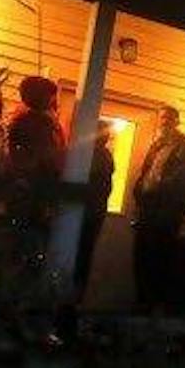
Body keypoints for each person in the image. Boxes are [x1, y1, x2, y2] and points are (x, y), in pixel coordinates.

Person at [130, 105, 185, 312]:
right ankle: (143, 299)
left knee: (160, 253)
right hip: (149, 207)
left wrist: (163, 191)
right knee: (142, 252)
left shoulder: (183, 146)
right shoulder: (157, 144)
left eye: (169, 118)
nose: (164, 121)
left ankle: (157, 301)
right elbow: (148, 173)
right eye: (162, 117)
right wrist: (140, 191)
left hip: (166, 210)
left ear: (176, 121)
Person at [4, 75, 67, 270]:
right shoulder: (34, 123)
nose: (52, 100)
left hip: (34, 193)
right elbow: (46, 160)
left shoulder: (36, 122)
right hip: (33, 195)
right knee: (29, 249)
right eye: (49, 95)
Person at [72, 121, 115, 298]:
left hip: (88, 212)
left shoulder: (98, 156)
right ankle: (76, 294)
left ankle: (74, 295)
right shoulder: (104, 156)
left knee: (81, 252)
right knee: (84, 252)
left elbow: (93, 184)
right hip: (94, 211)